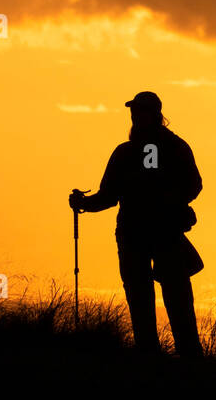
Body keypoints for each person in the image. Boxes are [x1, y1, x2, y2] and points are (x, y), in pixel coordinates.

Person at [69, 91, 204, 358]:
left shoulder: (161, 149)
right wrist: (84, 203)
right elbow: (108, 196)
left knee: (174, 296)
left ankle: (188, 357)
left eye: (141, 111)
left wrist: (168, 202)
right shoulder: (132, 152)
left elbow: (193, 185)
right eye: (134, 111)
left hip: (161, 232)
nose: (135, 116)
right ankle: (153, 356)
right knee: (141, 295)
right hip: (137, 234)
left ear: (155, 114)